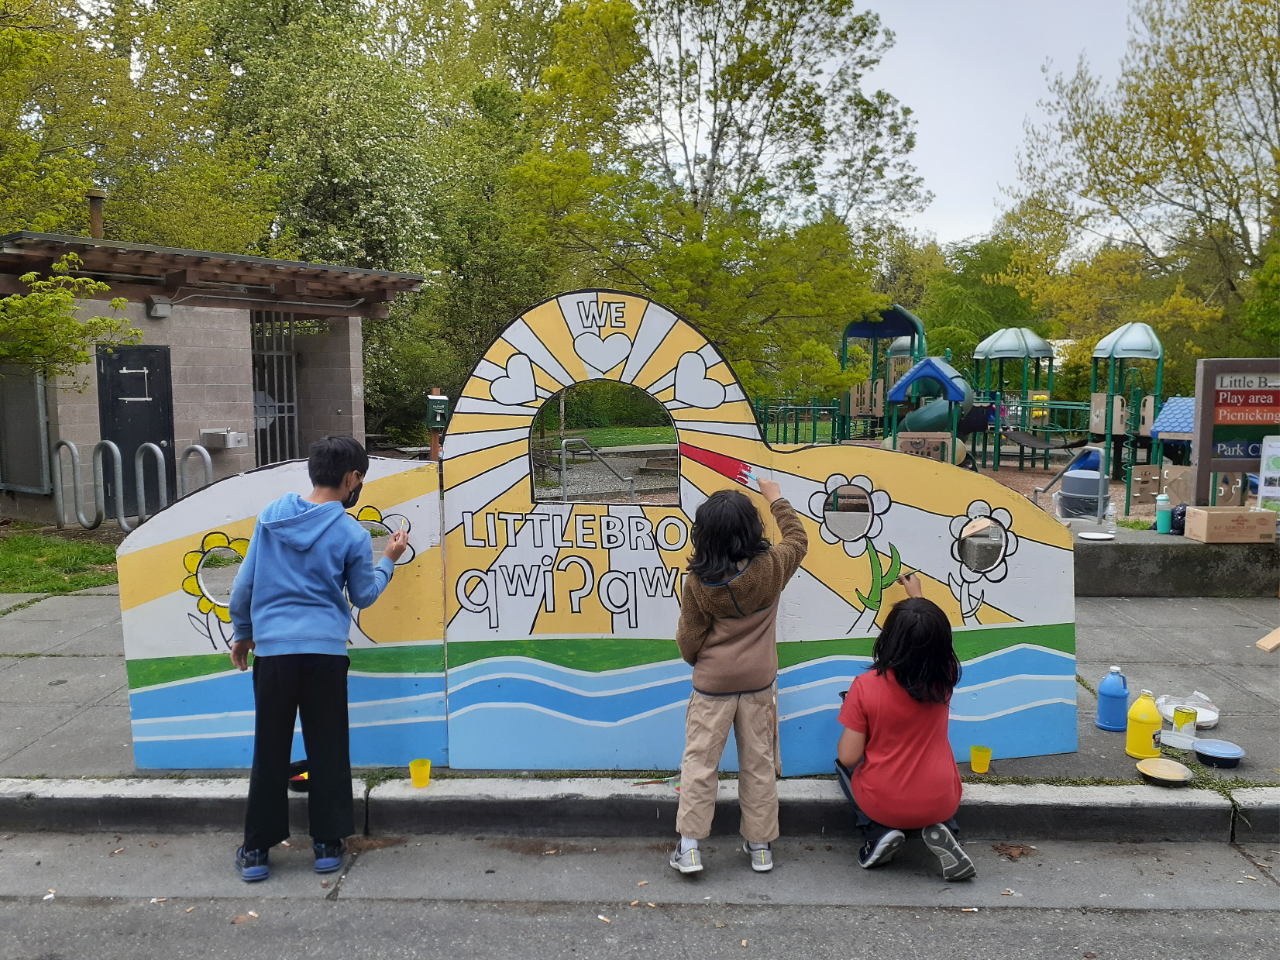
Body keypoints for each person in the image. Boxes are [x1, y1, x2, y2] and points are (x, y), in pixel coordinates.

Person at [228, 436, 408, 882]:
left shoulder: (270, 518)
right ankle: (327, 845)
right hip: (325, 654)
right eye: (360, 478)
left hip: (274, 653)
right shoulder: (350, 532)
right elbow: (363, 595)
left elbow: (244, 586)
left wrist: (244, 634)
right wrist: (388, 559)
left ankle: (255, 851)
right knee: (327, 747)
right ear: (352, 479)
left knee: (269, 748)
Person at [669, 477, 808, 875]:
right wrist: (776, 498)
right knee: (758, 763)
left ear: (704, 534)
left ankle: (690, 848)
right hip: (758, 684)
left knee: (699, 763)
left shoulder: (698, 583)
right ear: (752, 529)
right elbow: (798, 539)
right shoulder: (772, 567)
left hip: (712, 685)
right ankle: (761, 846)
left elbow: (689, 639)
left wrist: (701, 660)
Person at [834, 575, 975, 880]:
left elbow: (848, 756)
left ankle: (878, 833)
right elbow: (929, 640)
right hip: (941, 800)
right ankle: (946, 829)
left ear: (888, 638)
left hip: (884, 803)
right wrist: (919, 597)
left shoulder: (865, 687)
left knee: (841, 767)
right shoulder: (945, 677)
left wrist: (857, 714)